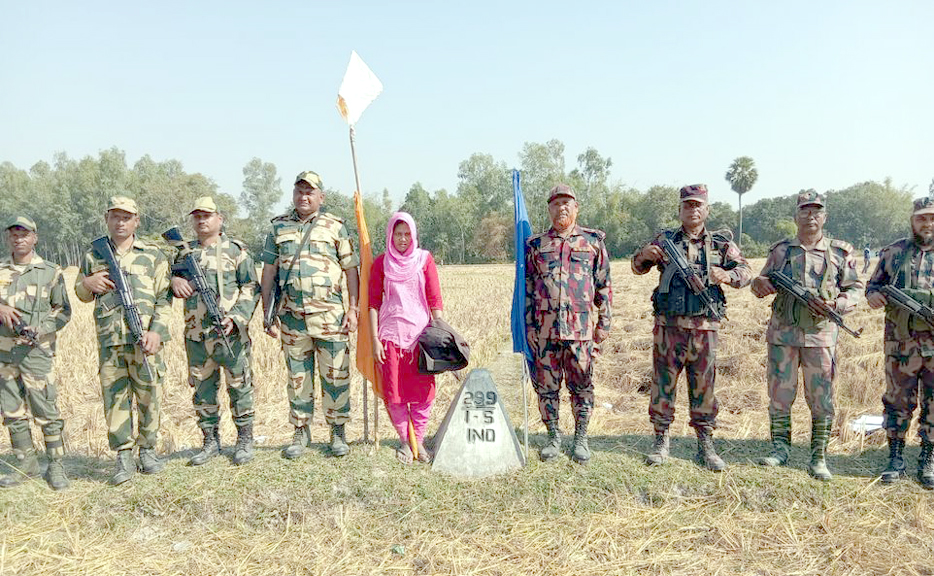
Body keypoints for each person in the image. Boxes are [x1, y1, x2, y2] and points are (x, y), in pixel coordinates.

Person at [632, 184, 751, 471]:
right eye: (687, 205)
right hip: (668, 327)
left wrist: (726, 274)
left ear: (707, 209)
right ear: (680, 210)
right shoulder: (664, 240)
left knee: (704, 387)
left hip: (704, 327)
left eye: (698, 205)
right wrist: (646, 254)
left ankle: (705, 444)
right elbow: (637, 267)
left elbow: (746, 272)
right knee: (663, 385)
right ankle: (661, 441)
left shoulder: (721, 243)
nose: (693, 210)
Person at [751, 190, 862, 481]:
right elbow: (761, 282)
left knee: (821, 397)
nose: (810, 216)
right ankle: (780, 449)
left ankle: (819, 456)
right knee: (779, 395)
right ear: (796, 216)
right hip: (782, 334)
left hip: (821, 336)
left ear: (824, 216)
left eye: (816, 211)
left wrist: (836, 304)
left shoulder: (840, 253)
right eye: (804, 211)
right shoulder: (781, 251)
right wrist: (760, 283)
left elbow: (855, 289)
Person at [259, 171, 360, 459]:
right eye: (299, 191)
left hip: (330, 317)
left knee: (336, 375)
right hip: (291, 318)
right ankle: (301, 431)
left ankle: (338, 432)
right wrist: (268, 312)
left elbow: (351, 269)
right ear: (294, 194)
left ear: (321, 197)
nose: (304, 196)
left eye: (310, 192)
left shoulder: (335, 227)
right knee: (298, 378)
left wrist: (353, 309)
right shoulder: (278, 228)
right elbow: (269, 272)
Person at [75, 196, 172, 485]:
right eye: (115, 217)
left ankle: (148, 451)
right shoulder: (94, 254)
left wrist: (157, 332)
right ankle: (123, 457)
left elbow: (164, 300)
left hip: (145, 340)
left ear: (136, 221)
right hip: (111, 341)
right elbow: (81, 294)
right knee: (115, 399)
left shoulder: (153, 255)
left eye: (127, 217)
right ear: (107, 218)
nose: (121, 222)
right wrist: (86, 284)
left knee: (149, 396)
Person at [525, 184, 612, 464]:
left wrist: (604, 323)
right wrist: (528, 328)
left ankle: (581, 438)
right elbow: (527, 289)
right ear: (549, 209)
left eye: (567, 203)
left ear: (576, 208)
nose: (561, 207)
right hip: (545, 331)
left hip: (581, 331)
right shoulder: (536, 246)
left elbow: (604, 285)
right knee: (547, 387)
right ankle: (553, 436)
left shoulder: (592, 242)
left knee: (582, 386)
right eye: (556, 203)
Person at [170, 197, 260, 466]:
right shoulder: (183, 253)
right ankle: (210, 441)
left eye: (207, 215)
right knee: (202, 390)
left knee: (240, 386)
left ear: (219, 219)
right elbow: (168, 283)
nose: (201, 220)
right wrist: (174, 281)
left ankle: (244, 440)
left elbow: (251, 287)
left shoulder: (236, 251)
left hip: (231, 333)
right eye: (196, 216)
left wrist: (237, 317)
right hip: (197, 335)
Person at [866, 197, 934, 489]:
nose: (927, 223)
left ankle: (928, 459)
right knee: (897, 401)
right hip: (900, 344)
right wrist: (873, 296)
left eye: (932, 218)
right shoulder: (893, 253)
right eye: (921, 218)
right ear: (912, 220)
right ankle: (895, 457)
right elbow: (873, 286)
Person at [0, 216, 72, 490]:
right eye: (14, 234)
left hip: (36, 352)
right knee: (12, 410)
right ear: (9, 238)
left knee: (46, 410)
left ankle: (56, 466)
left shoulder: (50, 271)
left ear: (34, 238)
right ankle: (25, 464)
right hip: (4, 353)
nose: (19, 238)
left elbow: (63, 311)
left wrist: (40, 329)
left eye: (24, 234)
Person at [368, 212, 443, 464]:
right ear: (390, 235)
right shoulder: (381, 263)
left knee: (423, 393)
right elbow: (373, 303)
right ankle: (405, 441)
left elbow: (434, 300)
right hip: (390, 337)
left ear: (414, 235)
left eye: (407, 234)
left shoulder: (424, 260)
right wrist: (374, 340)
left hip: (420, 339)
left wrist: (440, 334)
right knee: (395, 393)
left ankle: (418, 441)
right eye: (398, 234)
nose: (402, 239)